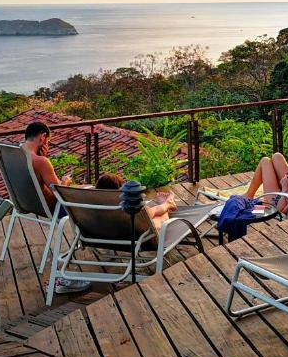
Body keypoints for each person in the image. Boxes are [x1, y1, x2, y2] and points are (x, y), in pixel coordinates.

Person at [22, 121, 90, 295]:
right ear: (43, 137)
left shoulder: (16, 154)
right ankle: (63, 271)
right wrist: (66, 181)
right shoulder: (40, 161)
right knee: (89, 194)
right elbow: (59, 190)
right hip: (56, 207)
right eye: (48, 141)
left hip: (30, 204)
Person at [94, 172, 179, 231]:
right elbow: (148, 214)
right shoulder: (120, 206)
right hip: (131, 235)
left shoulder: (92, 204)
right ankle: (168, 204)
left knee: (147, 212)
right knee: (156, 218)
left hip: (102, 235)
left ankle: (166, 204)